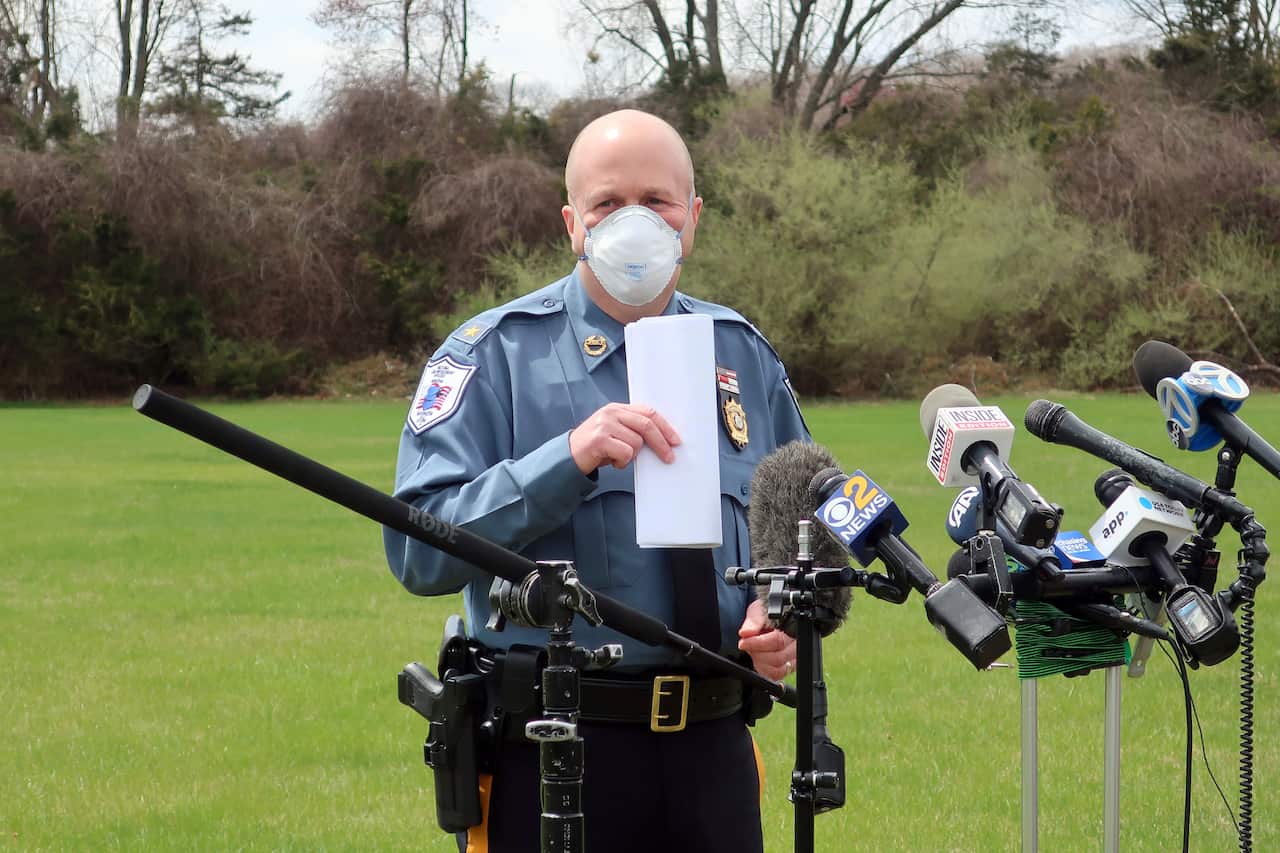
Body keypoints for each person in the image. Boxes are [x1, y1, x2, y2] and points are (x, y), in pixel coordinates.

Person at [385, 109, 810, 853]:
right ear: (572, 223)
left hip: (714, 747)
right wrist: (565, 460)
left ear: (693, 218)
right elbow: (417, 553)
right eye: (608, 202)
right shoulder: (494, 355)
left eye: (657, 201)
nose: (634, 220)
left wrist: (777, 613)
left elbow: (800, 523)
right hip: (554, 749)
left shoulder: (742, 354)